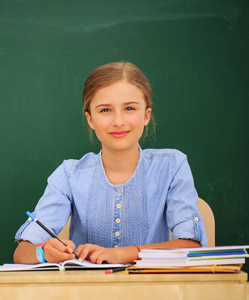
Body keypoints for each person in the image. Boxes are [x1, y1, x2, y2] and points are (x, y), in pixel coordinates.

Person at [13, 62, 207, 265]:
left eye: (130, 108)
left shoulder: (172, 166)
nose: (118, 121)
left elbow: (191, 246)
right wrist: (43, 253)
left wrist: (120, 254)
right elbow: (21, 253)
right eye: (105, 110)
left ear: (146, 115)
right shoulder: (69, 175)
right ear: (90, 119)